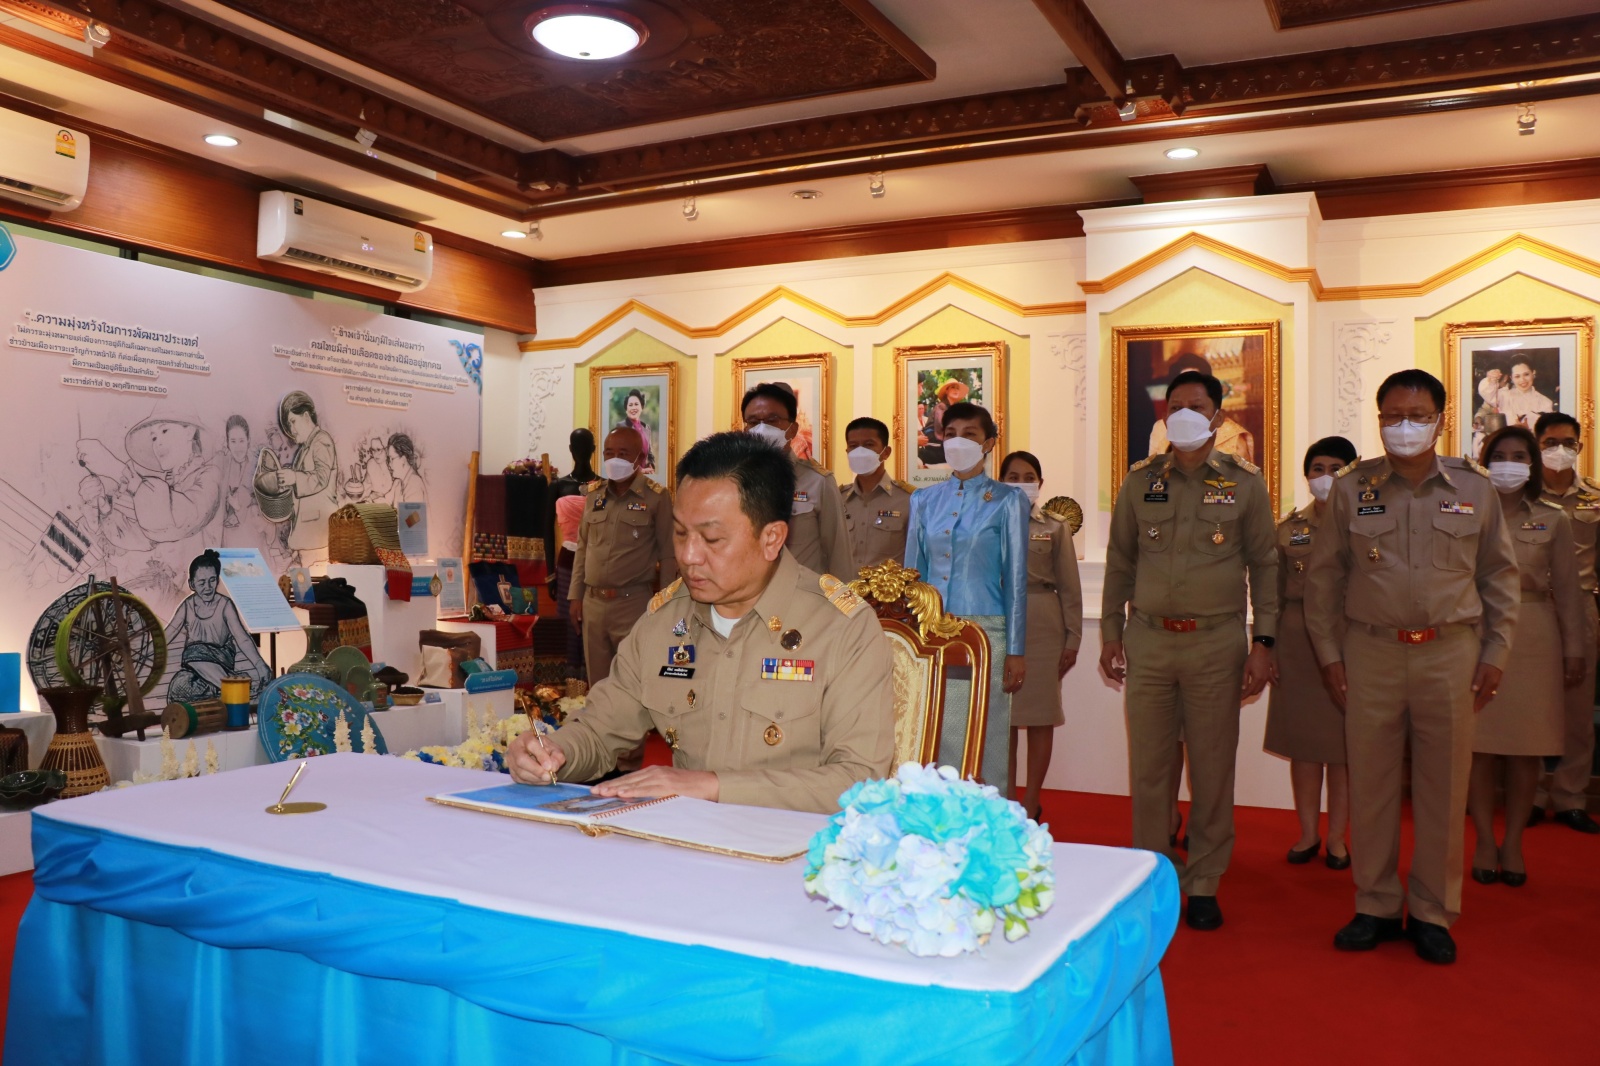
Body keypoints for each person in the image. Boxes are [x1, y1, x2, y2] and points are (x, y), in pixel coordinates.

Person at [508, 432, 895, 813]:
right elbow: (599, 728)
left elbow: (858, 781)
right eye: (680, 533)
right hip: (684, 847)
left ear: (772, 538)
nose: (689, 556)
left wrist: (713, 787)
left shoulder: (842, 627)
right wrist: (554, 752)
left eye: (711, 539)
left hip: (794, 855)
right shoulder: (665, 619)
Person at [1305, 369, 1519, 965]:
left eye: (1417, 415)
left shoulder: (1474, 489)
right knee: (1371, 783)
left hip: (1450, 653)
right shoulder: (1352, 488)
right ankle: (1374, 904)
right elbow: (1324, 581)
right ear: (1378, 421)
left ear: (1440, 419)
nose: (1404, 427)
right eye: (1392, 416)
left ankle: (1431, 910)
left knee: (1443, 787)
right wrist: (1329, 656)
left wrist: (1497, 652)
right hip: (1370, 652)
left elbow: (1500, 576)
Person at [1100, 369, 1277, 932]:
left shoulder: (1245, 483)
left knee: (1211, 765)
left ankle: (1203, 880)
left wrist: (1263, 641)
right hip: (1149, 640)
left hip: (1216, 643)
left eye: (1195, 407)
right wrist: (1109, 632)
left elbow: (1265, 567)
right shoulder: (1140, 481)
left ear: (1217, 416)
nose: (1182, 415)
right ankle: (1151, 873)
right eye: (1173, 406)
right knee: (1150, 767)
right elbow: (1121, 562)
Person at [1469, 426, 1586, 886]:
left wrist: (1573, 649)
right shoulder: (1465, 512)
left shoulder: (1553, 518)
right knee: (1476, 747)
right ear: (1485, 460)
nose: (1510, 462)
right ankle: (1482, 838)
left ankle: (1513, 840)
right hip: (1475, 634)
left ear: (1533, 464)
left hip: (1535, 637)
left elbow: (1570, 593)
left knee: (1525, 750)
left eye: (1520, 455)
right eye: (1500, 454)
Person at [905, 401, 1028, 792]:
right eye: (951, 433)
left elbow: (1016, 579)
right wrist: (909, 639)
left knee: (982, 731)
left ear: (989, 443)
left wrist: (1016, 649)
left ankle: (985, 821)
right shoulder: (923, 500)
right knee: (931, 729)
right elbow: (913, 574)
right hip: (930, 638)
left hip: (985, 634)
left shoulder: (1009, 500)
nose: (959, 442)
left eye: (970, 435)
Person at [1264, 436, 1359, 869]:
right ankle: (1307, 834)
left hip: (1349, 638)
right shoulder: (1288, 528)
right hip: (1297, 640)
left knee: (1343, 749)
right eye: (1317, 468)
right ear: (1307, 477)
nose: (1326, 477)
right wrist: (1268, 648)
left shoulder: (1365, 523)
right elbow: (1274, 596)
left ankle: (1337, 838)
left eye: (1336, 468)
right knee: (1303, 746)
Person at [999, 450, 1082, 821]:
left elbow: (1069, 586)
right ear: (1000, 481)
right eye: (1012, 476)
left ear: (1041, 483)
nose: (1020, 483)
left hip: (1043, 622)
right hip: (998, 623)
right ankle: (1007, 799)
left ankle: (1031, 801)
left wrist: (1073, 638)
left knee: (1040, 715)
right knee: (1004, 718)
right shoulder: (986, 521)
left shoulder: (1055, 526)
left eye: (1028, 476)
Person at [1532, 411, 1600, 833]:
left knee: (1576, 712)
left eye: (1569, 442)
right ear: (1537, 445)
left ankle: (1571, 796)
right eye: (1551, 441)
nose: (1560, 449)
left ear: (1579, 445)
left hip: (1582, 611)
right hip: (1533, 608)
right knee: (1534, 707)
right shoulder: (1520, 496)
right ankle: (1534, 794)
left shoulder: (1594, 496)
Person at [570, 425, 676, 686]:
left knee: (632, 683)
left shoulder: (656, 497)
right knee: (598, 685)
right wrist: (575, 595)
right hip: (593, 605)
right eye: (609, 453)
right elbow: (582, 547)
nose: (614, 459)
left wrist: (665, 603)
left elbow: (670, 554)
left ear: (640, 459)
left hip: (634, 604)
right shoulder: (594, 495)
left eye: (623, 453)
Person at [741, 383, 852, 578]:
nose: (761, 428)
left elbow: (839, 555)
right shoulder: (735, 481)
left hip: (803, 601)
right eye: (753, 422)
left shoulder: (819, 482)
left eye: (772, 420)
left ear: (792, 429)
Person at [164, 549, 271, 701]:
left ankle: (233, 688)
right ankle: (229, 685)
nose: (208, 587)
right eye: (201, 582)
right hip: (194, 668)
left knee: (194, 654)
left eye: (212, 580)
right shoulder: (187, 605)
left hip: (220, 659)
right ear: (192, 584)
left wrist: (260, 665)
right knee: (178, 687)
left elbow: (242, 638)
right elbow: (168, 634)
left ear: (218, 580)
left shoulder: (225, 605)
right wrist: (148, 651)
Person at [260, 391, 337, 553]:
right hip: (308, 533)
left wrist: (294, 477)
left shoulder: (321, 441)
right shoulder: (306, 448)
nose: (291, 430)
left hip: (317, 535)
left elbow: (321, 478)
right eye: (289, 425)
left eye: (293, 421)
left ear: (307, 416)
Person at [840, 416, 915, 572]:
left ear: (886, 452)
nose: (860, 452)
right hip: (844, 594)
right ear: (847, 452)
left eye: (869, 445)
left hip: (889, 594)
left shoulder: (908, 500)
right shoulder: (837, 499)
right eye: (853, 446)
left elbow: (916, 556)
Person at [1480, 359, 1555, 430]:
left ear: (1533, 373)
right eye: (1517, 376)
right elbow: (1486, 393)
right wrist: (1491, 379)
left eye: (1526, 374)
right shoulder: (1504, 396)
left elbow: (1548, 431)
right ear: (1511, 378)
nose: (1522, 380)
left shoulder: (1546, 402)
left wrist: (1528, 430)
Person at [617, 388, 654, 474]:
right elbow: (621, 457)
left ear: (642, 407)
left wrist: (651, 465)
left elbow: (649, 453)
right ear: (626, 409)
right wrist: (641, 470)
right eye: (630, 405)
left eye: (636, 404)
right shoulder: (621, 427)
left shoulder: (646, 428)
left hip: (644, 478)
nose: (633, 408)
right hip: (628, 477)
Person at [384, 433, 426, 505]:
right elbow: (386, 501)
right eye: (389, 459)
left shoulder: (414, 484)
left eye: (392, 459)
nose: (389, 464)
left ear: (403, 459)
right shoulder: (398, 482)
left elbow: (411, 516)